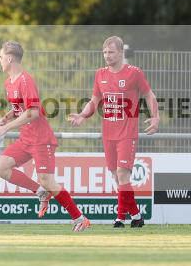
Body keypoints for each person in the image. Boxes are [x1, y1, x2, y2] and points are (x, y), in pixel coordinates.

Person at [0, 41, 90, 232]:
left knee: (47, 180)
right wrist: (7, 117)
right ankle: (41, 192)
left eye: (1, 57)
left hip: (41, 140)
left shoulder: (26, 80)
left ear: (10, 58)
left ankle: (79, 218)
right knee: (1, 168)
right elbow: (19, 108)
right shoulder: (9, 82)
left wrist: (6, 128)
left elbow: (33, 112)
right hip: (25, 139)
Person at [68, 36, 159, 228]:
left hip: (127, 133)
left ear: (120, 52)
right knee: (117, 177)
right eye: (105, 52)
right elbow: (94, 101)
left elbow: (149, 95)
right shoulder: (100, 74)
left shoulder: (134, 73)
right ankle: (136, 215)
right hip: (108, 134)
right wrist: (83, 115)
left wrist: (155, 117)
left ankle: (119, 218)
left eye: (111, 52)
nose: (107, 56)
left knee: (122, 174)